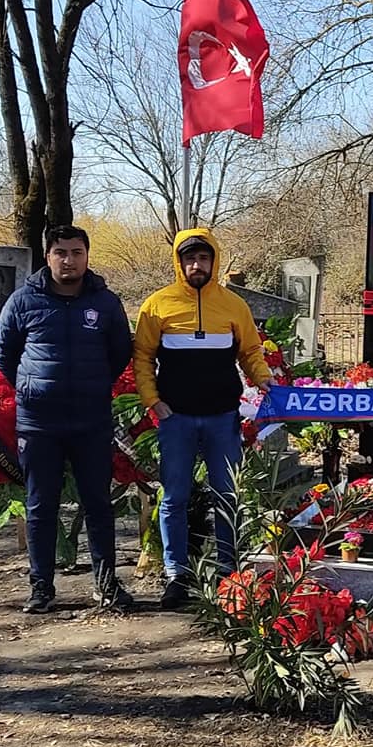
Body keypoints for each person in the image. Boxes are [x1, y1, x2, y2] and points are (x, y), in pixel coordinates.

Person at [0, 225, 134, 614]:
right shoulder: (23, 301)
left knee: (98, 504)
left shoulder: (105, 303)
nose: (68, 260)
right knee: (41, 505)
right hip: (40, 422)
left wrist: (91, 384)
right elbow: (5, 355)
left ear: (87, 256)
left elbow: (120, 352)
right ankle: (41, 588)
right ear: (47, 256)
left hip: (91, 420)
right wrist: (32, 386)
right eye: (60, 252)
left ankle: (105, 584)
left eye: (76, 252)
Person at [133, 228, 273, 610]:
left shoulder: (233, 306)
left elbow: (251, 352)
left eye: (204, 258)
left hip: (221, 418)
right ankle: (177, 574)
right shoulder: (157, 305)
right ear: (179, 263)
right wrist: (152, 400)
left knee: (227, 495)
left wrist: (265, 381)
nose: (197, 265)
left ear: (214, 261)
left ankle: (229, 572)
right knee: (174, 498)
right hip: (175, 418)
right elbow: (142, 357)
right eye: (190, 259)